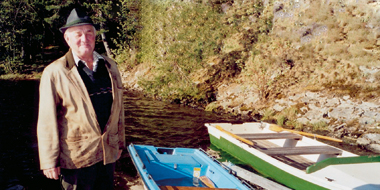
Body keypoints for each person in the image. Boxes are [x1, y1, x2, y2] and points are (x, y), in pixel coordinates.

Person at [37, 8, 125, 190]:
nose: (84, 39)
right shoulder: (55, 72)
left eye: (89, 33)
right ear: (67, 39)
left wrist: (120, 143)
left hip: (108, 153)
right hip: (76, 158)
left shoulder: (110, 66)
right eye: (77, 34)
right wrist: (48, 160)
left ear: (95, 36)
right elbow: (47, 120)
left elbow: (119, 109)